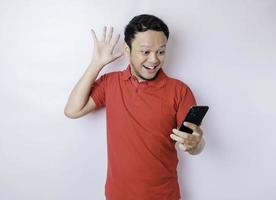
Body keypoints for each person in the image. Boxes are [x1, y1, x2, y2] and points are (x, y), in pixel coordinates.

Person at [64, 14, 205, 200]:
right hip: (117, 195)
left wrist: (197, 144)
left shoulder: (180, 91)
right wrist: (96, 64)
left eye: (161, 51)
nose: (154, 60)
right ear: (127, 50)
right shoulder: (110, 83)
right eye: (145, 52)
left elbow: (192, 143)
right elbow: (72, 110)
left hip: (164, 196)